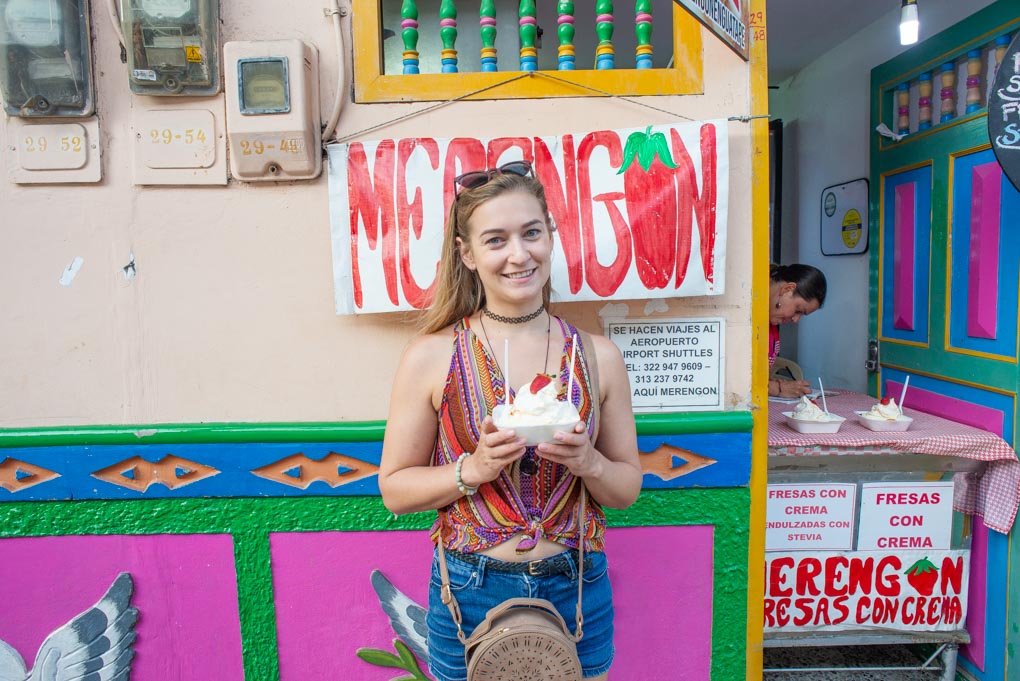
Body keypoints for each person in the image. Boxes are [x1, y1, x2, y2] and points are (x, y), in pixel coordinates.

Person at [379, 160, 641, 681]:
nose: (519, 254)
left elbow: (626, 488)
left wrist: (590, 462)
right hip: (469, 586)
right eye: (496, 240)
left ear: (551, 236)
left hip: (579, 585)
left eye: (531, 233)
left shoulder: (597, 357)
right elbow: (395, 490)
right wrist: (471, 470)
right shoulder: (432, 357)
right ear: (467, 254)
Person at [767, 263, 827, 398]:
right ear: (788, 289)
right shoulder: (742, 318)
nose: (795, 320)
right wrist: (777, 389)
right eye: (798, 310)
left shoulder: (770, 325)